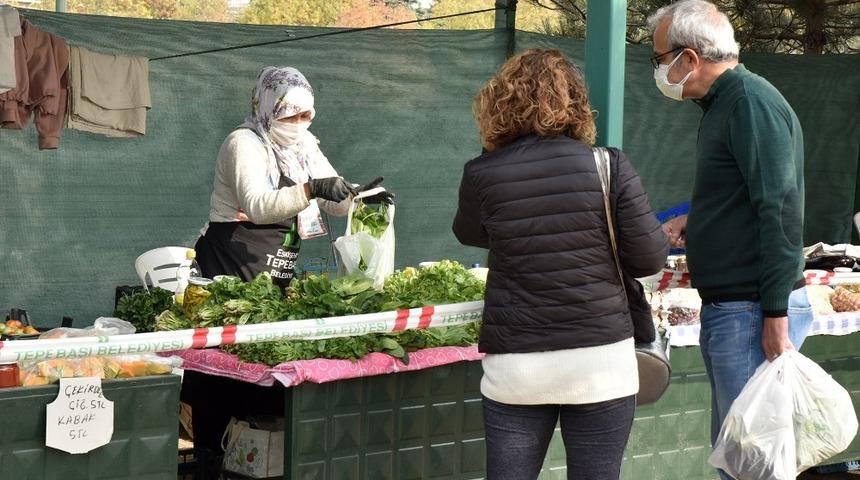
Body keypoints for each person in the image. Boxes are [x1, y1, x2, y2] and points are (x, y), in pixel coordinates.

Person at [452, 49, 668, 480]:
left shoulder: (481, 172)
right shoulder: (609, 165)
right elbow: (649, 258)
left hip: (517, 367)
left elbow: (471, 234)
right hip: (601, 362)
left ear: (497, 103)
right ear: (577, 103)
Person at [646, 2, 813, 478]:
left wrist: (776, 316)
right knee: (739, 460)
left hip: (753, 309)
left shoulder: (749, 103)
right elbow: (748, 191)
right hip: (738, 309)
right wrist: (697, 221)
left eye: (661, 59)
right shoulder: (725, 104)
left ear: (690, 58)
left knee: (751, 466)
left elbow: (779, 208)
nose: (659, 70)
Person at [194, 66, 393, 288]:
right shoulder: (243, 143)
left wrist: (357, 197)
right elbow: (257, 207)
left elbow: (331, 200)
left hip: (276, 269)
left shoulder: (303, 144)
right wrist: (310, 189)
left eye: (305, 115)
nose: (298, 124)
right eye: (289, 116)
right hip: (227, 264)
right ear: (269, 107)